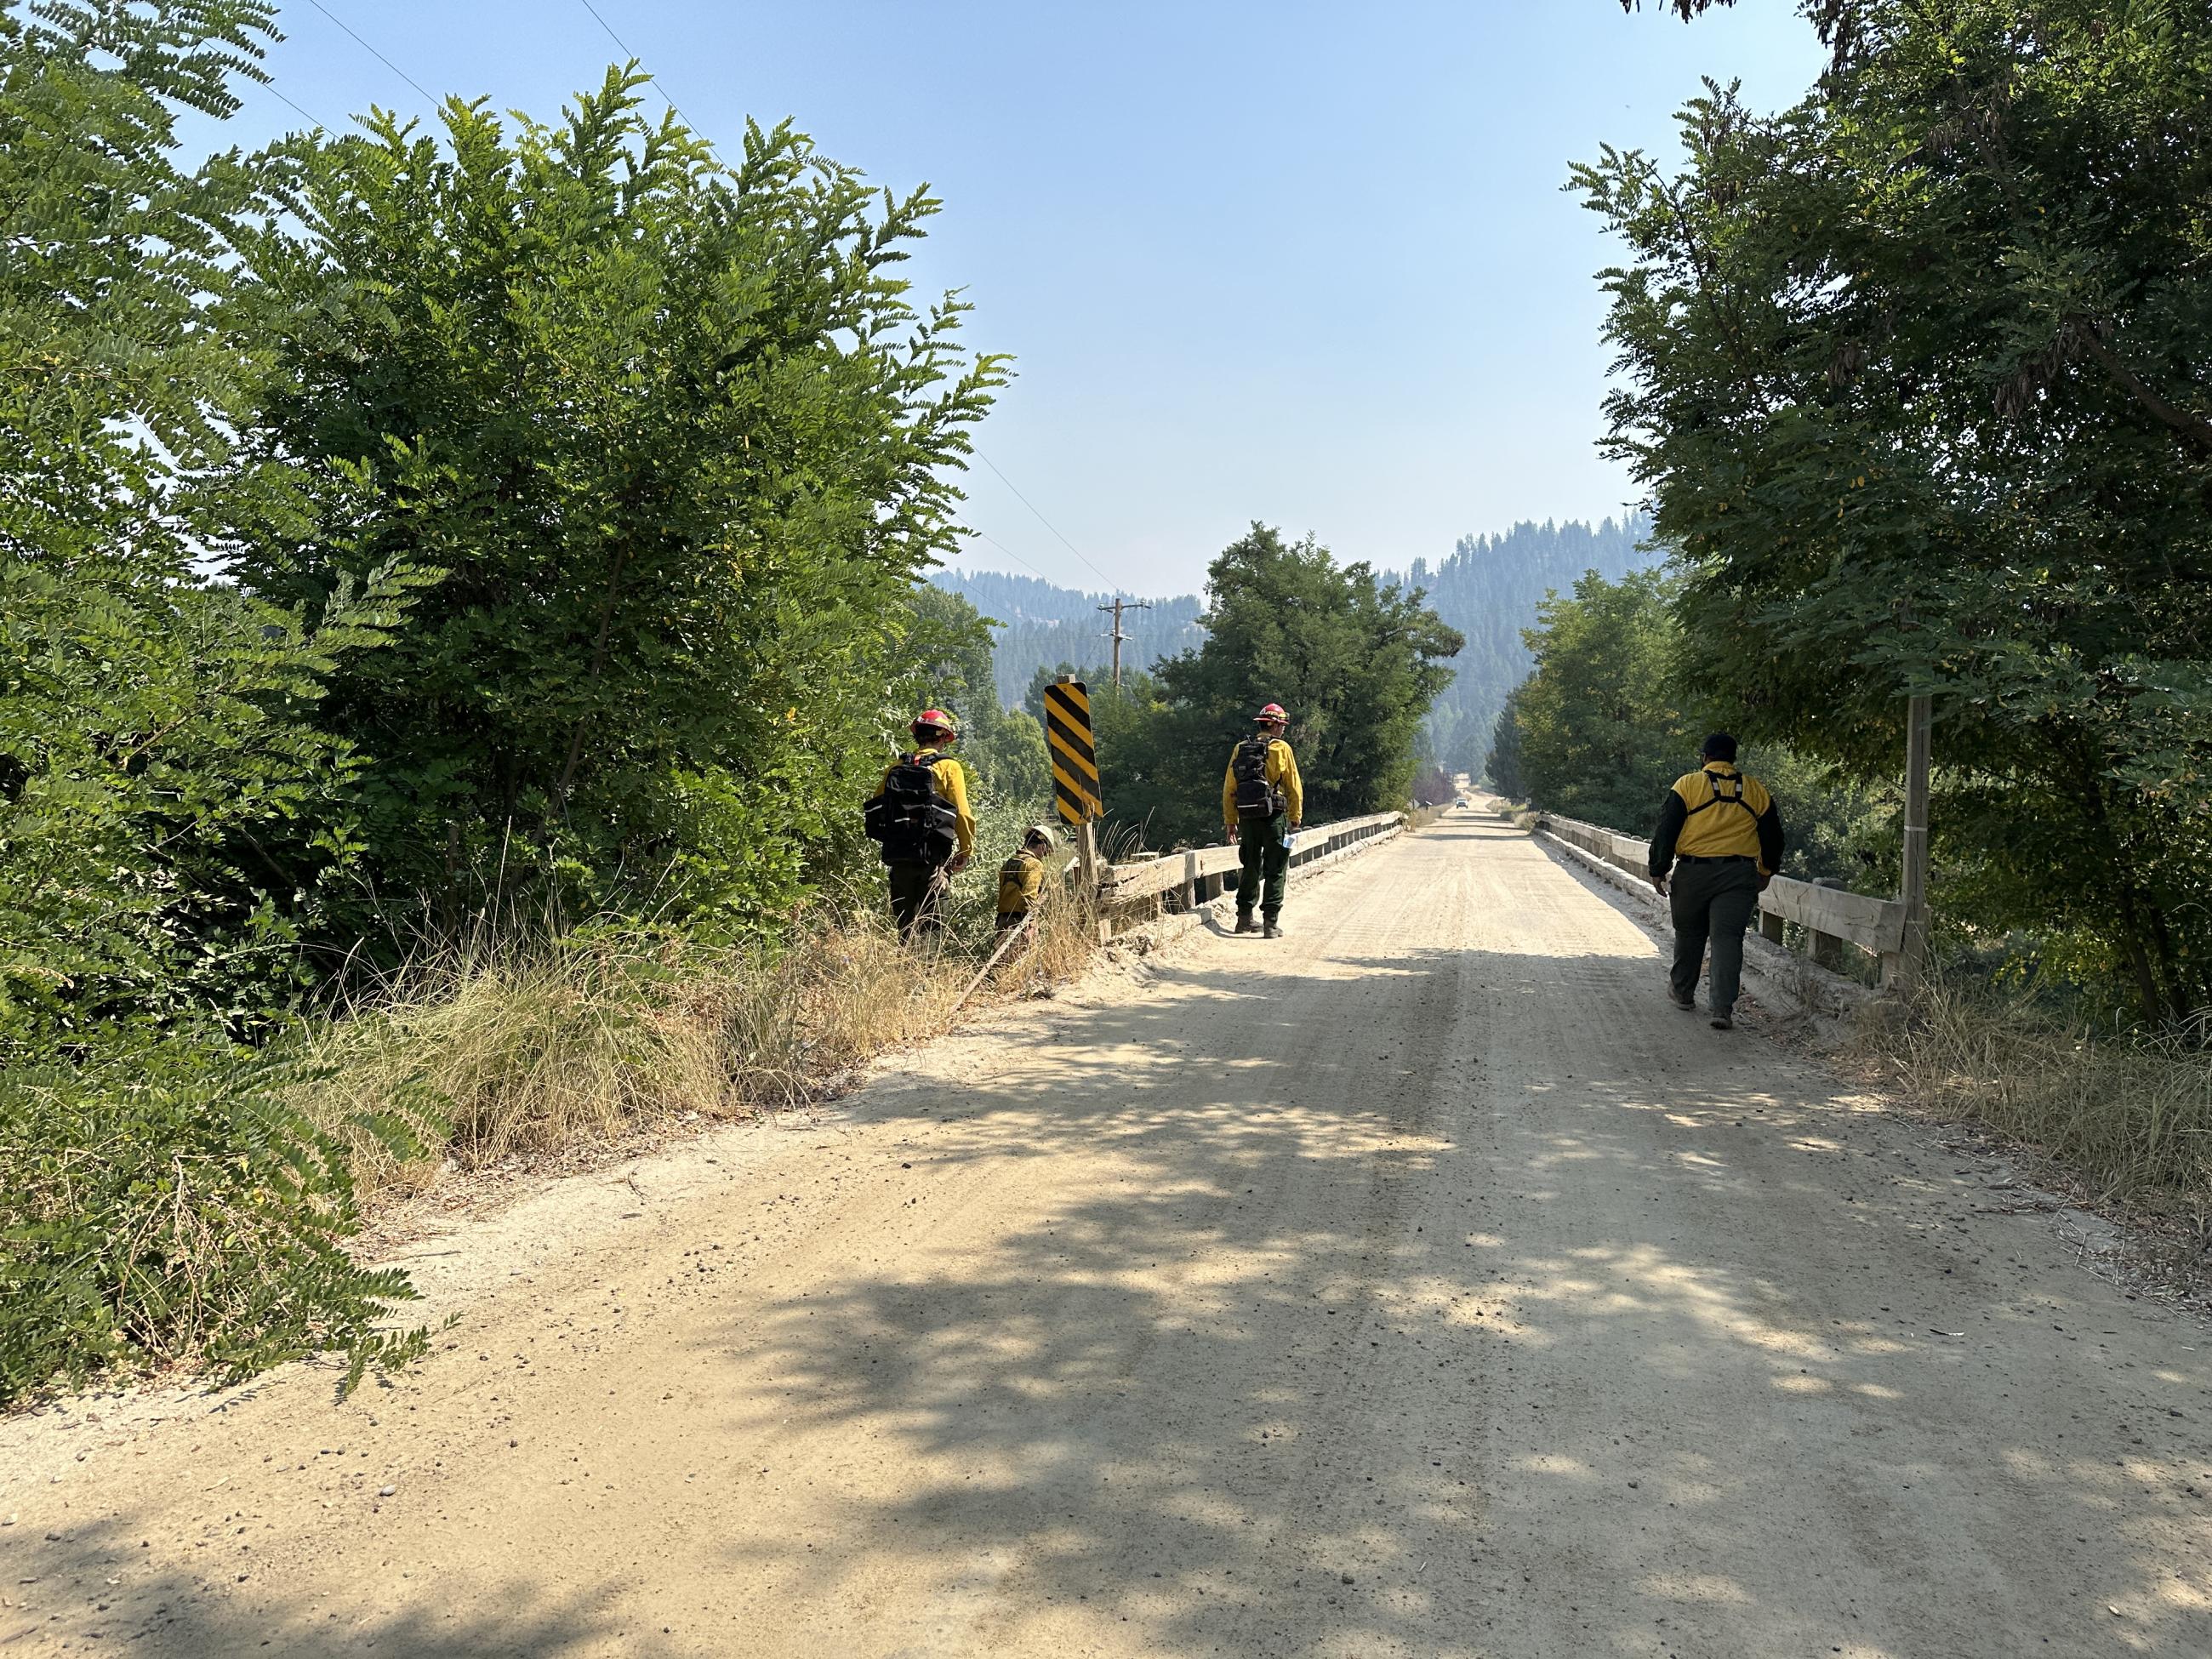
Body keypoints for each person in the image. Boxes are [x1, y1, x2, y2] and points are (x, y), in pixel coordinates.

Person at [1647, 732, 1785, 1030]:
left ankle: (1683, 993)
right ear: (1732, 759)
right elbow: (1773, 837)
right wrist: (1766, 871)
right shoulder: (1755, 790)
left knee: (1689, 933)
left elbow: (1667, 829)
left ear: (1705, 757)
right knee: (1727, 939)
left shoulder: (1688, 785)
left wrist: (1658, 867)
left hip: (1693, 872)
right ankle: (1722, 1008)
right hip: (1738, 876)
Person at [863, 710, 974, 942]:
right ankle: (925, 975)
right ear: (943, 736)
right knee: (930, 927)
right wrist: (965, 850)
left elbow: (876, 806)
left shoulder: (895, 767)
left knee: (905, 927)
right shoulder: (949, 768)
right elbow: (963, 814)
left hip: (898, 858)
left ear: (917, 736)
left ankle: (905, 973)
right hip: (932, 859)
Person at [1222, 701, 1304, 938]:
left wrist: (1230, 821)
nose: (1284, 730)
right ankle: (1270, 922)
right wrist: (1295, 819)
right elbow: (1294, 787)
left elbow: (1230, 787)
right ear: (1274, 725)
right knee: (1276, 867)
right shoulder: (1282, 749)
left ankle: (1244, 919)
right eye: (1282, 725)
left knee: (1249, 864)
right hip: (1273, 817)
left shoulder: (1241, 748)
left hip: (1247, 817)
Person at [996, 824, 1056, 932]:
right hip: (1020, 922)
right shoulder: (1034, 864)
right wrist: (1029, 923)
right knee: (1023, 949)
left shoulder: (1009, 862)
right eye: (1046, 852)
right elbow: (1029, 897)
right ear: (1042, 847)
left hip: (1002, 921)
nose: (1045, 856)